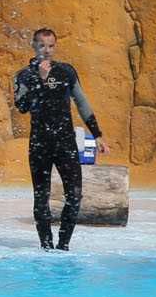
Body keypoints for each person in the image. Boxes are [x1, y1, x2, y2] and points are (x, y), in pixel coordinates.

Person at [13, 28, 108, 251]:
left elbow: (82, 102)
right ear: (33, 46)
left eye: (51, 46)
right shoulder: (24, 75)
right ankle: (46, 246)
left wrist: (97, 134)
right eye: (41, 45)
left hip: (65, 142)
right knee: (41, 197)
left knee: (74, 195)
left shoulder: (66, 72)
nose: (46, 50)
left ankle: (63, 245)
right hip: (40, 144)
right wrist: (40, 80)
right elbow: (22, 106)